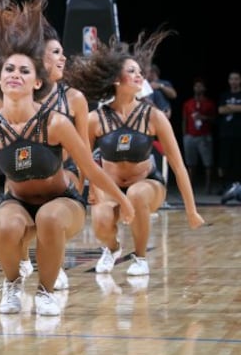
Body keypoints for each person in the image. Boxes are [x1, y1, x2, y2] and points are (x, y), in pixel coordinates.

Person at [0, 0, 134, 317]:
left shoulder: (56, 122)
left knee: (48, 217)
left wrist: (123, 199)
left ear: (36, 82)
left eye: (24, 70)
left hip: (62, 201)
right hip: (18, 200)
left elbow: (90, 166)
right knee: (4, 227)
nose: (15, 74)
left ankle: (46, 291)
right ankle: (13, 283)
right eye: (9, 70)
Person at [65, 28, 205, 277]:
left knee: (138, 194)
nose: (140, 76)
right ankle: (112, 248)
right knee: (101, 222)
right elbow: (83, 161)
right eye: (132, 71)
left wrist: (191, 210)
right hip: (109, 186)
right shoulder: (95, 119)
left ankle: (140, 258)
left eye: (140, 72)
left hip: (148, 184)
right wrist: (85, 193)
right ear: (116, 80)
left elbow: (178, 165)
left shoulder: (154, 116)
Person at [0, 17, 90, 289]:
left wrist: (91, 183)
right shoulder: (16, 94)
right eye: (56, 52)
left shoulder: (73, 98)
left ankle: (52, 267)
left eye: (63, 53)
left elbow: (84, 144)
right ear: (40, 59)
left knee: (51, 214)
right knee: (16, 191)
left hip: (65, 170)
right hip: (22, 168)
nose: (63, 58)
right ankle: (21, 260)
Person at [182, 78, 216, 194]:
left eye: (200, 86)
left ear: (204, 88)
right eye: (196, 86)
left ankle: (208, 187)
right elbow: (184, 120)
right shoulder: (188, 103)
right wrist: (185, 135)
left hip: (204, 136)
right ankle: (190, 187)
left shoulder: (209, 103)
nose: (198, 88)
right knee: (190, 163)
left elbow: (214, 119)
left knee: (208, 163)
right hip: (190, 136)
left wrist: (204, 118)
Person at [217, 70, 241, 203]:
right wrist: (236, 108)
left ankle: (238, 186)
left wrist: (230, 107)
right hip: (226, 133)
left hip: (239, 134)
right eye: (232, 79)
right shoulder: (224, 95)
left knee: (238, 160)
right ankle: (226, 186)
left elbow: (226, 109)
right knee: (225, 161)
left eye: (236, 79)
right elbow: (221, 110)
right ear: (229, 81)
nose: (234, 81)